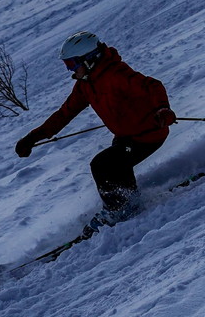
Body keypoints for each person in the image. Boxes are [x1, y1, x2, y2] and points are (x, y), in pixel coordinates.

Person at [15, 31, 176, 219]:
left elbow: (153, 86)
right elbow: (64, 114)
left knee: (102, 165)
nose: (70, 70)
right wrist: (32, 138)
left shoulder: (116, 74)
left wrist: (163, 110)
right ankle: (130, 204)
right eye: (67, 65)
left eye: (72, 64)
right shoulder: (86, 84)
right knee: (117, 166)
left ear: (89, 58)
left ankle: (119, 210)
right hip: (126, 138)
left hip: (148, 134)